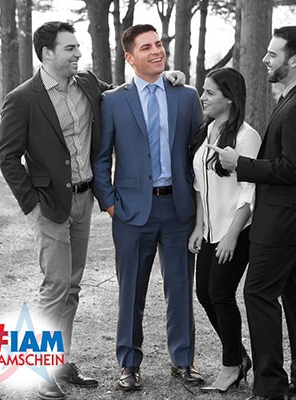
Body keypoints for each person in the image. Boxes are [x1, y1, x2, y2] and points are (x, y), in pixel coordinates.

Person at [0, 21, 185, 400]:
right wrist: (32, 206)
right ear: (47, 53)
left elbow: (127, 93)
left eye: (78, 46)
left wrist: (166, 77)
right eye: (70, 48)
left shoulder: (87, 84)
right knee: (55, 286)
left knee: (72, 286)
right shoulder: (22, 98)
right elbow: (7, 156)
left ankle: (60, 361)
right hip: (49, 206)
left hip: (83, 200)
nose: (78, 53)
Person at [211, 26, 296, 400]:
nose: (265, 59)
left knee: (258, 294)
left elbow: (293, 169)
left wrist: (240, 164)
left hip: (284, 220)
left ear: (293, 60)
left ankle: (270, 387)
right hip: (295, 218)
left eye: (272, 54)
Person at [92, 24, 204, 391]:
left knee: (181, 289)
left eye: (159, 44)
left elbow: (198, 152)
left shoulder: (186, 96)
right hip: (131, 213)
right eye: (146, 47)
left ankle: (183, 361)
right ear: (129, 57)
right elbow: (101, 158)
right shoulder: (112, 101)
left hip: (178, 209)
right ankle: (129, 364)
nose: (157, 51)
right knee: (131, 292)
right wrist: (110, 204)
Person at [187, 68, 260, 394]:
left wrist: (232, 235)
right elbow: (200, 183)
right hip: (210, 230)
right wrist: (199, 225)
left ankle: (231, 365)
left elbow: (250, 190)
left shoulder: (247, 136)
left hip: (237, 231)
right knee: (204, 293)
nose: (203, 97)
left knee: (220, 293)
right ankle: (240, 357)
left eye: (210, 92)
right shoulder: (208, 130)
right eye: (203, 91)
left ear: (229, 98)